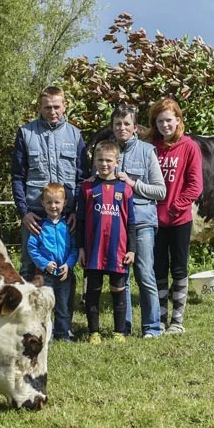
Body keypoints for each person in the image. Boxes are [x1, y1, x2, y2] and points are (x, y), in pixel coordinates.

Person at [11, 86, 88, 281]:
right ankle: (27, 311)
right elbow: (17, 177)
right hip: (35, 215)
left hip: (66, 216)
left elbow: (82, 178)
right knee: (29, 266)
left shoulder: (75, 135)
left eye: (56, 106)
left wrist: (75, 211)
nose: (52, 112)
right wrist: (24, 212)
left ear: (64, 106)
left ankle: (63, 311)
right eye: (47, 107)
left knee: (65, 266)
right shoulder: (26, 133)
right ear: (40, 107)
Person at [110, 104, 167, 338]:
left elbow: (160, 191)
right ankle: (123, 327)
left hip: (142, 222)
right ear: (112, 127)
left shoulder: (147, 151)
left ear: (135, 127)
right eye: (117, 124)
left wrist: (133, 184)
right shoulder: (107, 150)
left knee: (145, 274)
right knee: (121, 275)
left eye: (126, 124)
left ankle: (152, 327)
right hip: (116, 223)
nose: (122, 128)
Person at [148, 98, 203, 334]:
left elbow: (195, 185)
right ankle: (160, 319)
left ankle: (177, 321)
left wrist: (175, 205)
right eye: (160, 121)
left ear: (178, 120)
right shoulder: (151, 147)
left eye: (169, 120)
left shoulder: (189, 147)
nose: (165, 125)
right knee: (158, 269)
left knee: (179, 269)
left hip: (180, 219)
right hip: (154, 219)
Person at [76, 140, 136, 344]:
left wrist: (132, 250)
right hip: (94, 250)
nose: (104, 164)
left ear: (117, 162)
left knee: (118, 291)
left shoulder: (125, 189)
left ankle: (119, 331)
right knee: (92, 292)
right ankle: (94, 332)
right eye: (100, 160)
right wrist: (81, 248)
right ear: (94, 162)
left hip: (117, 251)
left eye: (109, 160)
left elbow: (132, 223)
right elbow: (81, 221)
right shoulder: (87, 187)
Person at [27, 183, 79, 342]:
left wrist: (68, 265)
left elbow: (75, 249)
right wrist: (44, 264)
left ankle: (63, 335)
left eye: (57, 202)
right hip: (45, 275)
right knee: (45, 307)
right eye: (49, 202)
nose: (53, 206)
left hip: (64, 275)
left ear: (65, 203)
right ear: (43, 204)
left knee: (63, 307)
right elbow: (32, 248)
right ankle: (46, 335)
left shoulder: (68, 226)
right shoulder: (39, 226)